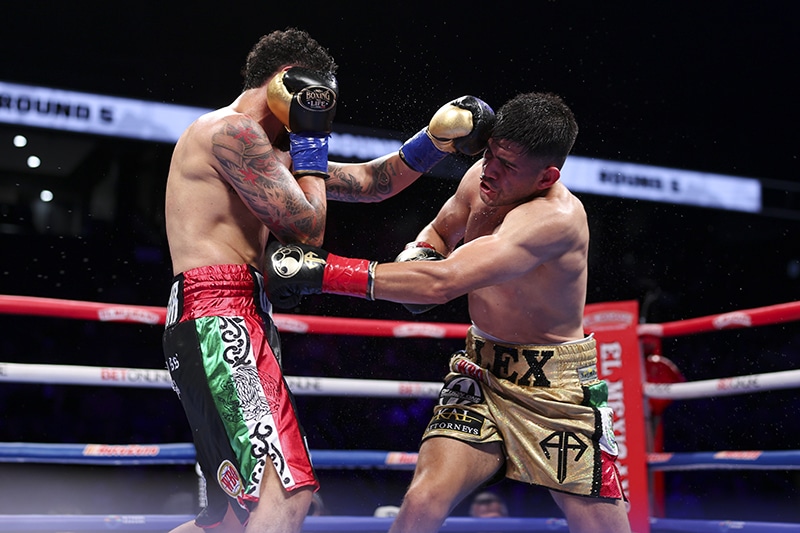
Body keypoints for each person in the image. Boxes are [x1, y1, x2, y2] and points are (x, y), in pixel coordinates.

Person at [162, 27, 495, 533]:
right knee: (287, 495)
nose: (322, 108)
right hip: (220, 317)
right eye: (319, 97)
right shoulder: (231, 132)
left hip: (225, 315)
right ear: (287, 82)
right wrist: (312, 139)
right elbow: (306, 229)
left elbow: (369, 183)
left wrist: (436, 141)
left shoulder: (263, 150)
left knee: (229, 523)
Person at [265, 91, 632, 533]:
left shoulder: (555, 219)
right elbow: (440, 232)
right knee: (423, 499)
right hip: (481, 369)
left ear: (546, 176)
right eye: (491, 154)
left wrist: (324, 272)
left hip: (555, 390)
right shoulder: (481, 176)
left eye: (508, 166)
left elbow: (445, 282)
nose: (489, 170)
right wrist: (418, 253)